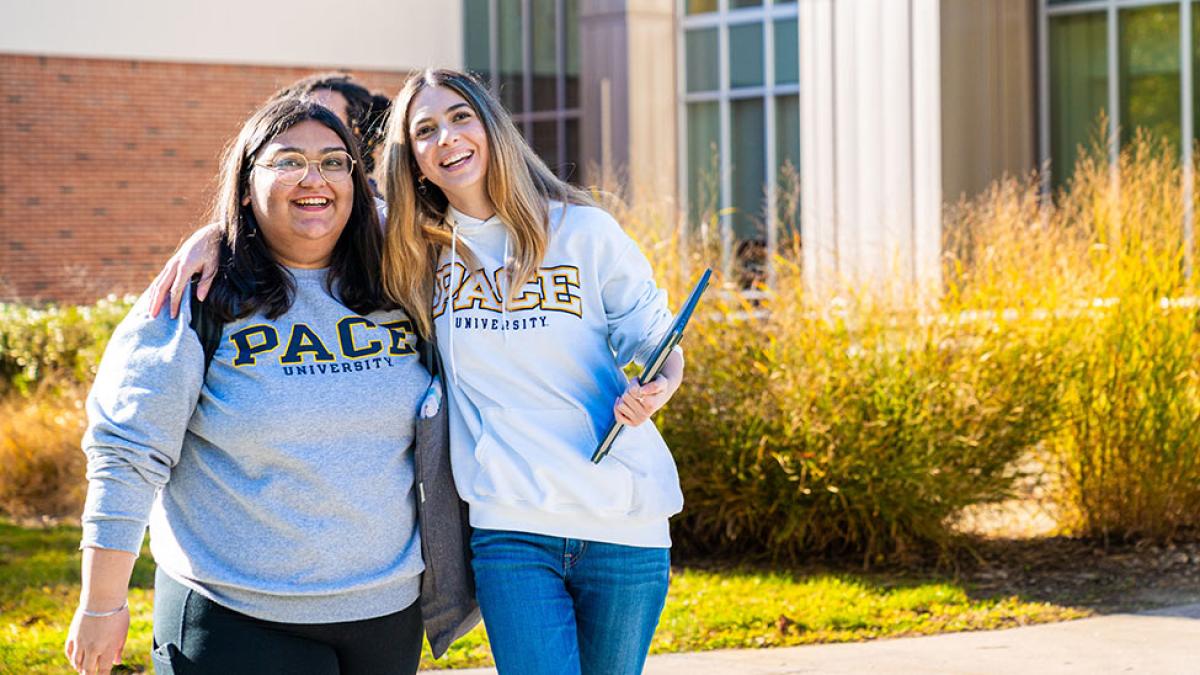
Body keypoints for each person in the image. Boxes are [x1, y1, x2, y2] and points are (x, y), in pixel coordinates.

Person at [150, 68, 686, 675]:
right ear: (414, 159)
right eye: (425, 129)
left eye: (460, 117)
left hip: (625, 514)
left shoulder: (585, 230)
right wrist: (218, 233)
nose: (447, 138)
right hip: (509, 525)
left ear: (492, 126)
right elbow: (306, 210)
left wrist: (660, 382)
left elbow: (655, 334)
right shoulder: (413, 249)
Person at [65, 98, 474, 675]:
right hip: (234, 616)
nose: (316, 179)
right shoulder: (195, 299)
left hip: (386, 615)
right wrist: (101, 604)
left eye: (336, 163)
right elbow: (127, 452)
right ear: (245, 181)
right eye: (289, 162)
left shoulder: (401, 283)